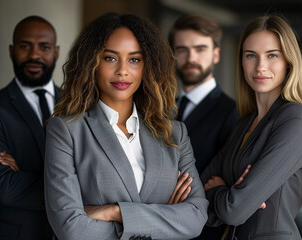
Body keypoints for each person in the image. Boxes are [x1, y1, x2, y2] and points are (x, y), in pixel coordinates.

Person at [44, 12, 208, 240]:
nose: (123, 70)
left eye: (134, 59)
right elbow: (71, 228)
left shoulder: (174, 134)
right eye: (110, 58)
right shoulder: (67, 130)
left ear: (147, 66)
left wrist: (115, 212)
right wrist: (164, 218)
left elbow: (196, 217)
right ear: (92, 62)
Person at [200, 15, 302, 240]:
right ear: (241, 61)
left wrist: (219, 190)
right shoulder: (243, 125)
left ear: (289, 61)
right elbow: (200, 192)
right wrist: (229, 196)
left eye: (272, 56)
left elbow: (234, 210)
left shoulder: (295, 119)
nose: (260, 67)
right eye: (251, 56)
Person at [0, 15, 60, 240]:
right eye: (24, 46)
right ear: (11, 51)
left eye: (44, 47)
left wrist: (25, 174)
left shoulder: (78, 106)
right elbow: (6, 187)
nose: (34, 55)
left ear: (56, 52)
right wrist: (76, 186)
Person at [168, 14, 239, 174]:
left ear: (216, 55)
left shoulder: (232, 112)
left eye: (200, 49)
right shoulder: (162, 108)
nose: (191, 58)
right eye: (182, 50)